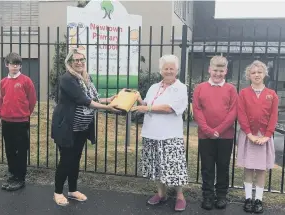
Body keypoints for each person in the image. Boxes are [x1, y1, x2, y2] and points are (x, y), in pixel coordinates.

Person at [51, 48, 120, 206]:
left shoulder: (86, 78)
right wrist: (108, 108)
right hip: (67, 127)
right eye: (76, 60)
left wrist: (110, 99)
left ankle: (73, 190)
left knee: (76, 159)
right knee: (66, 160)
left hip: (82, 127)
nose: (80, 62)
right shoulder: (67, 79)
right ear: (69, 63)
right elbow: (84, 100)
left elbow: (93, 98)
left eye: (82, 59)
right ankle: (58, 192)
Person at [131, 54, 189, 212]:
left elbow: (170, 108)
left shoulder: (180, 88)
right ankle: (161, 193)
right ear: (161, 70)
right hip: (151, 133)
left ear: (176, 70)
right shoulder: (154, 87)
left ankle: (180, 196)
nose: (169, 71)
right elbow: (147, 104)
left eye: (172, 68)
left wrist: (146, 108)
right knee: (156, 166)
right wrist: (138, 99)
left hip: (170, 135)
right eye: (166, 68)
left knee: (174, 167)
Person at [192, 55, 238, 210]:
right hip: (205, 135)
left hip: (225, 136)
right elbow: (197, 110)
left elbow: (233, 112)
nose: (218, 73)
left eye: (221, 70)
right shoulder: (200, 88)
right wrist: (208, 130)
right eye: (215, 70)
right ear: (209, 69)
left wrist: (218, 131)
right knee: (207, 166)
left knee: (223, 166)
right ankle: (207, 196)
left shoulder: (231, 89)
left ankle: (221, 196)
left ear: (226, 71)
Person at [237, 60, 278, 214]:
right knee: (248, 168)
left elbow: (273, 116)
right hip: (248, 136)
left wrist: (267, 136)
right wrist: (249, 134)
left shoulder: (271, 94)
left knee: (260, 170)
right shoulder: (243, 93)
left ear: (264, 74)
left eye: (259, 72)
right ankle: (248, 198)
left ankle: (259, 199)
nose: (256, 75)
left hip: (264, 137)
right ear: (249, 75)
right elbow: (241, 114)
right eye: (253, 72)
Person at [0, 52, 37, 191]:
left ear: (20, 66)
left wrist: (25, 114)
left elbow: (32, 100)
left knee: (20, 150)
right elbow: (4, 98)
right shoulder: (3, 82)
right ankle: (12, 174)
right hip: (6, 121)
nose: (14, 67)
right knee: (9, 149)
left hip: (21, 121)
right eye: (11, 64)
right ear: (6, 65)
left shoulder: (26, 81)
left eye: (17, 65)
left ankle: (20, 178)